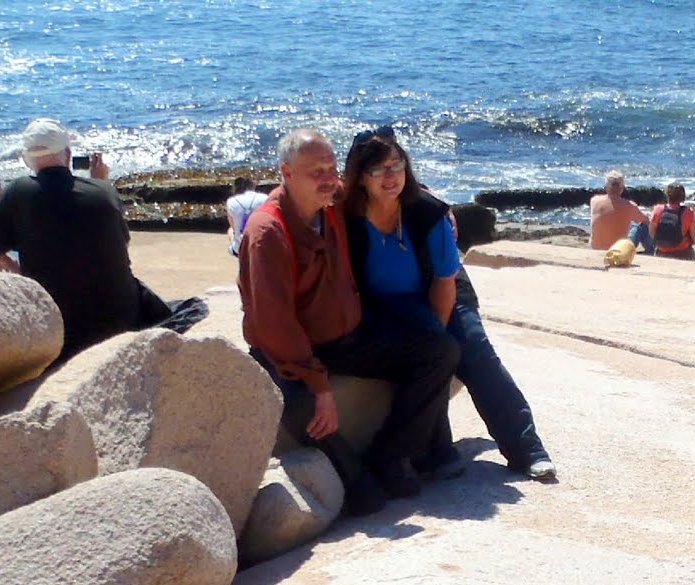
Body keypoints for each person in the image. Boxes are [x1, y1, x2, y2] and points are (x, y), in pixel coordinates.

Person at [238, 127, 460, 515]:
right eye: (316, 171)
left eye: (330, 167)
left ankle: (391, 455)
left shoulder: (331, 203)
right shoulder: (268, 232)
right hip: (291, 354)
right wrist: (320, 386)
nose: (328, 178)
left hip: (350, 337)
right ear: (286, 174)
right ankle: (356, 480)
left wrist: (436, 209)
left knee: (439, 351)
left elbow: (380, 186)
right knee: (363, 496)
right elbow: (275, 323)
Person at [341, 126, 557, 482]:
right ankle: (436, 450)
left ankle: (527, 449)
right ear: (361, 177)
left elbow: (444, 282)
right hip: (387, 305)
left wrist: (436, 335)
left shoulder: (428, 213)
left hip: (445, 291)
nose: (390, 176)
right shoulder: (347, 217)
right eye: (378, 169)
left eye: (397, 165)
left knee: (470, 348)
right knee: (423, 355)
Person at [0, 118, 145, 360]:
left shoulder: (18, 192)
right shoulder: (105, 192)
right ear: (68, 155)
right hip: (120, 321)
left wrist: (0, 260)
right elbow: (111, 248)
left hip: (61, 331)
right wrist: (101, 182)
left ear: (28, 158)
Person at [630, 181, 695, 259]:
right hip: (683, 252)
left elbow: (652, 233)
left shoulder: (658, 209)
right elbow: (694, 239)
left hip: (662, 252)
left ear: (667, 195)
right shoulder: (688, 212)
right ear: (682, 196)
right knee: (691, 252)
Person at [588, 170, 647, 250]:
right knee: (640, 225)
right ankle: (652, 250)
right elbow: (646, 220)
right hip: (618, 250)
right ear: (622, 188)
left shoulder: (594, 200)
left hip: (595, 248)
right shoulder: (630, 205)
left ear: (606, 187)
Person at [225, 176, 269, 256]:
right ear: (253, 185)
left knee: (230, 230)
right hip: (262, 246)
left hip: (240, 248)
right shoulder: (265, 198)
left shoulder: (231, 201)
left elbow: (233, 226)